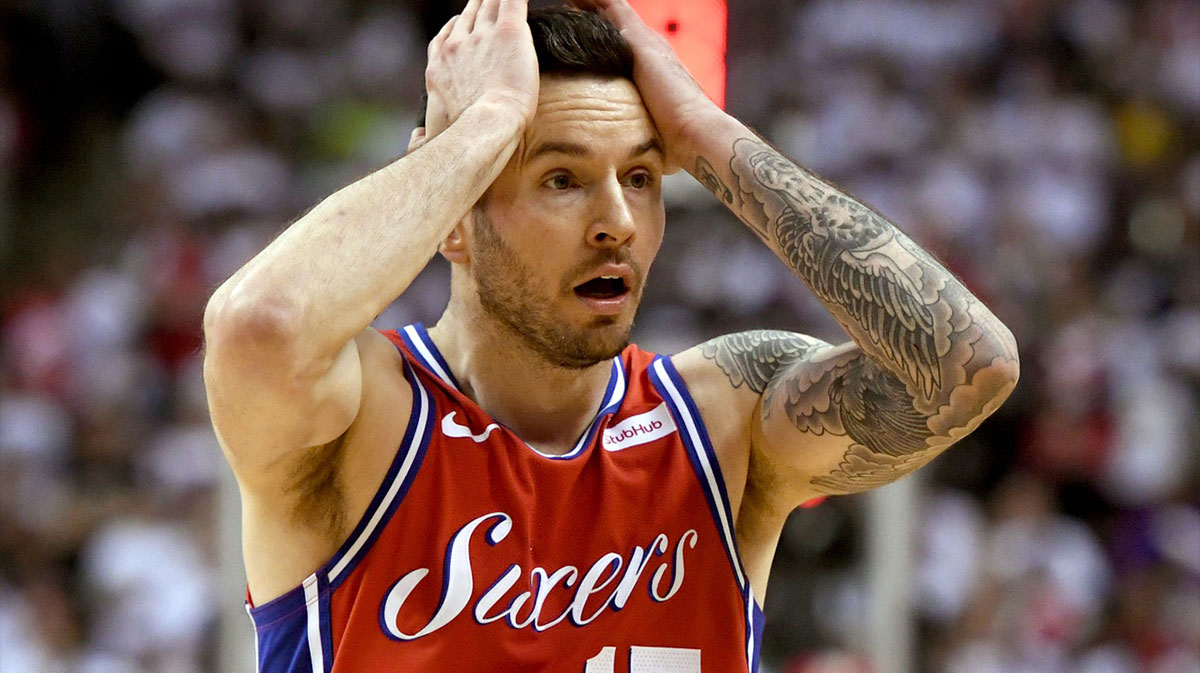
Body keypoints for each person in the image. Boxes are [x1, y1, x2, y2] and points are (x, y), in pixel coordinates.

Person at [201, 1, 1020, 671]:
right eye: (560, 178)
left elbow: (967, 364)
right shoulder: (361, 417)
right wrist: (486, 121)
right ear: (453, 215)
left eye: (639, 177)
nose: (617, 224)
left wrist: (699, 130)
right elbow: (259, 327)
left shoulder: (724, 419)